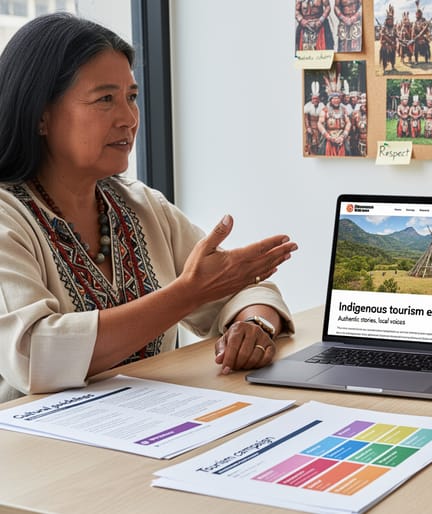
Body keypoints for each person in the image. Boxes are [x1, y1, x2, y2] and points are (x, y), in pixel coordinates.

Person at [0, 14, 298, 403]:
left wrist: (254, 324)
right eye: (105, 99)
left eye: (131, 97)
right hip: (42, 457)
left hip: (152, 434)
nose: (129, 118)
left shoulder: (141, 205)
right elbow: (34, 354)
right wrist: (186, 295)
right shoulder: (8, 217)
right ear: (41, 115)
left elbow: (241, 292)